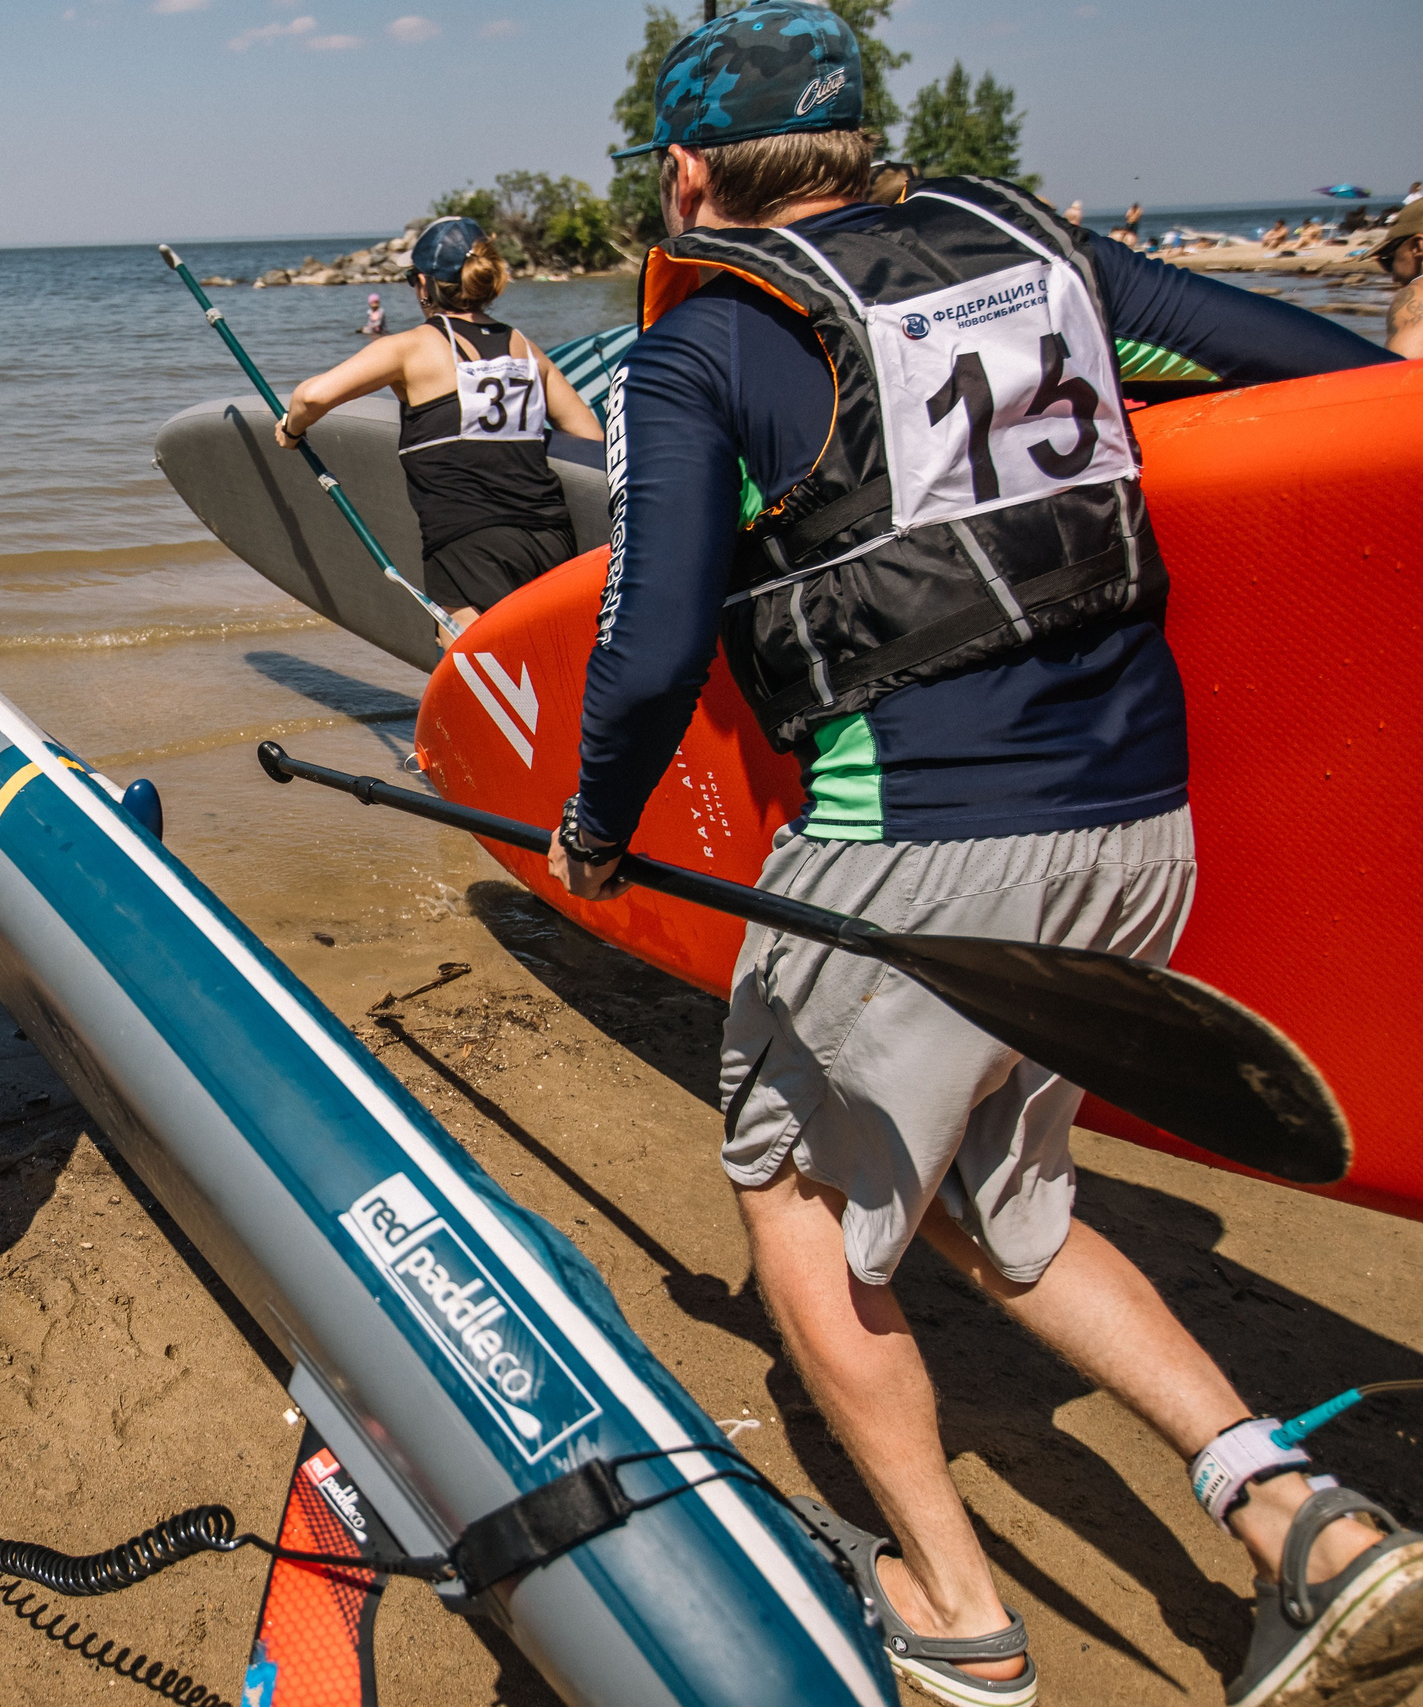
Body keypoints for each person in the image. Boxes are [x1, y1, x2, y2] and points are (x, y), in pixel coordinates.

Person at [573, 8, 1416, 1704]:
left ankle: (957, 1618)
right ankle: (1302, 1517)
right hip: (1138, 822)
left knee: (798, 1214)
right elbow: (1337, 387)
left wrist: (598, 822)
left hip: (926, 848)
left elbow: (651, 645)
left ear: (684, 174)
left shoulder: (710, 342)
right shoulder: (1047, 254)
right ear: (861, 137)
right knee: (1000, 1197)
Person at [273, 216, 603, 638]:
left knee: (479, 685)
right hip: (550, 537)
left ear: (425, 284)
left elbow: (311, 397)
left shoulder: (410, 348)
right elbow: (590, 440)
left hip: (468, 544)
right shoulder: (524, 347)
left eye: (413, 278)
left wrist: (292, 431)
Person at [1376, 200, 1423, 358]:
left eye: (1389, 260)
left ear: (1418, 246)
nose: (1393, 278)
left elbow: (1404, 376)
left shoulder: (1416, 294)